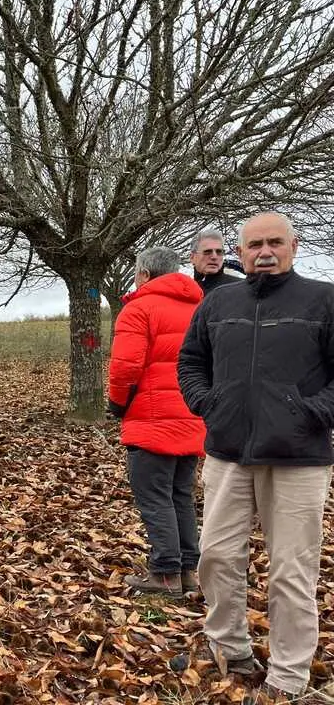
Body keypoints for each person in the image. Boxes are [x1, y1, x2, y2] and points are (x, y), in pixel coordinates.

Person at [178, 212, 334, 701]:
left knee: (292, 568)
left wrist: (310, 413)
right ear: (238, 252)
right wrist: (208, 403)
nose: (265, 252)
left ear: (293, 245)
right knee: (217, 556)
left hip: (298, 456)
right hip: (228, 452)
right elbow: (191, 360)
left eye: (275, 243)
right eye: (254, 245)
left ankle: (289, 674)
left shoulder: (324, 300)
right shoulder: (219, 302)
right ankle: (228, 646)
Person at [107, 247, 205, 597]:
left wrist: (117, 405)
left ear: (145, 274)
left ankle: (164, 573)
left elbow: (124, 368)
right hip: (191, 416)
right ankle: (188, 570)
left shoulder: (138, 309)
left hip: (151, 419)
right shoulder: (200, 308)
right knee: (180, 495)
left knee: (154, 497)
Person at [190, 228, 241, 296]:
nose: (214, 257)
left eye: (219, 252)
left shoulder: (241, 288)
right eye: (207, 252)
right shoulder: (183, 291)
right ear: (192, 257)